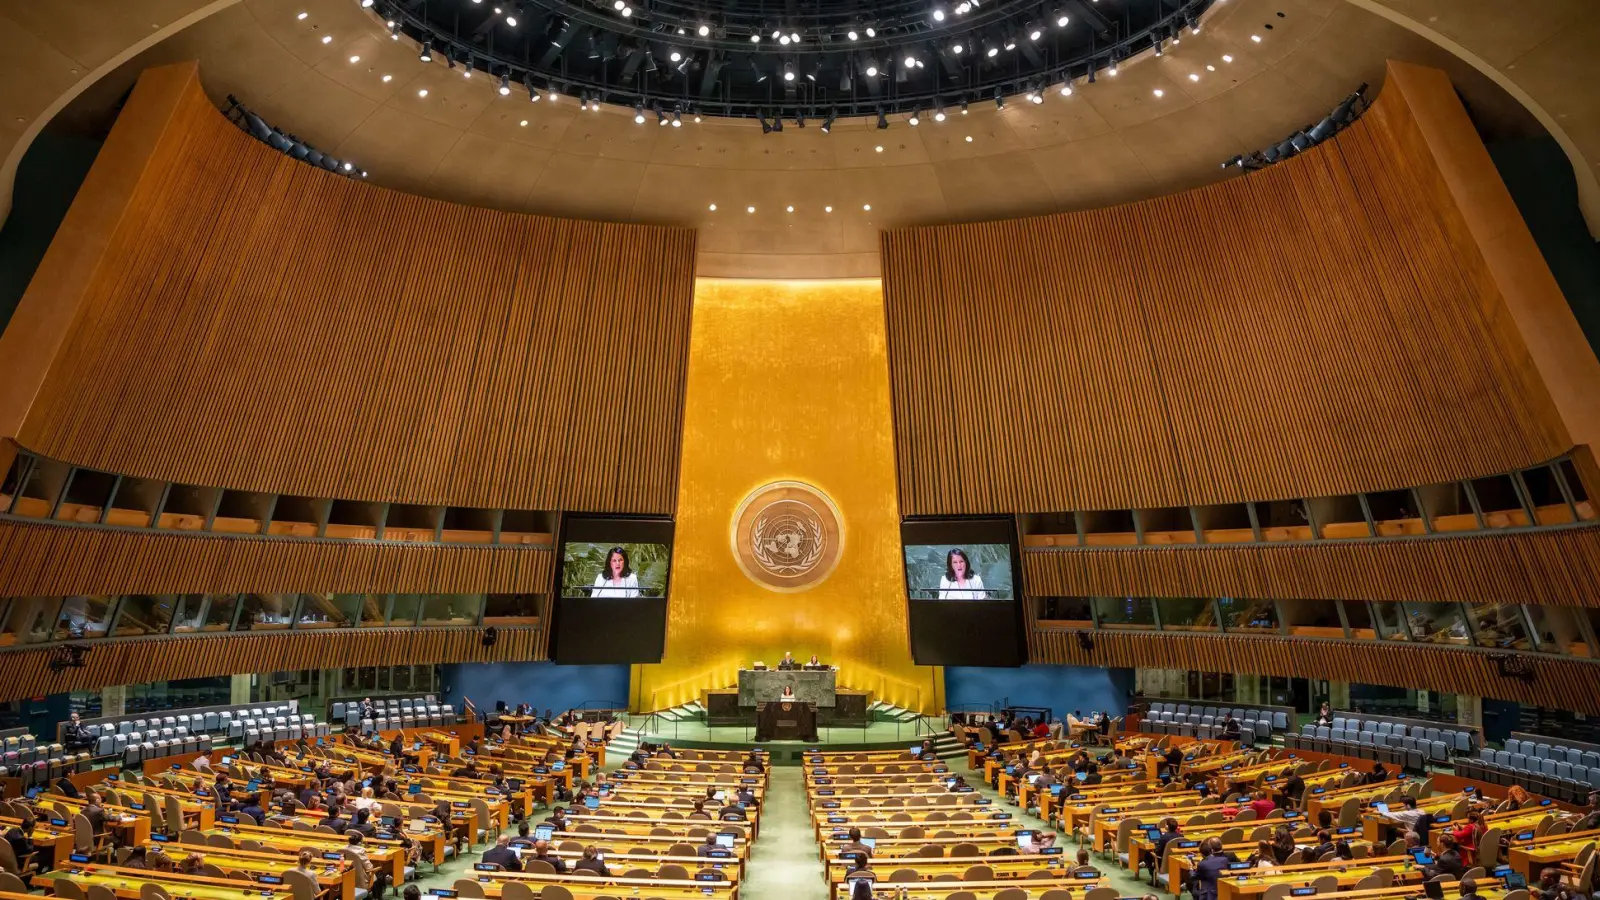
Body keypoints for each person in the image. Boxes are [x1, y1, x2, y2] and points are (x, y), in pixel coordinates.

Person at [1142, 818, 1181, 882]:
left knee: (1148, 854)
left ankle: (1153, 879)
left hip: (1163, 861)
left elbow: (1157, 851)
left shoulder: (1163, 837)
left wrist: (1154, 849)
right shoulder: (1181, 836)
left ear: (1167, 826)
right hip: (1176, 860)